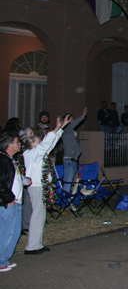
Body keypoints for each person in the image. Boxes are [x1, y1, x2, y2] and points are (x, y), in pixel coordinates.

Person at [24, 115, 69, 255]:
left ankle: (36, 244)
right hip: (36, 187)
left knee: (40, 216)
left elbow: (49, 144)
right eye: (37, 139)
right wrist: (56, 128)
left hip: (40, 186)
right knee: (37, 215)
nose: (40, 140)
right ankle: (31, 247)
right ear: (31, 143)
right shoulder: (31, 153)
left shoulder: (38, 153)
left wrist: (61, 128)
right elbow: (46, 144)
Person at [1, 132, 28, 272]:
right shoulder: (2, 160)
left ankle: (4, 259)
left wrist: (25, 180)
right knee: (6, 233)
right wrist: (8, 198)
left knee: (15, 232)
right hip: (8, 203)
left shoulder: (11, 159)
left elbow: (15, 177)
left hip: (16, 202)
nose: (20, 144)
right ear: (9, 145)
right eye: (17, 142)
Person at [61, 107, 88, 195]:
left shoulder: (71, 132)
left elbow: (75, 145)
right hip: (68, 160)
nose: (72, 122)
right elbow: (73, 125)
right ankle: (66, 202)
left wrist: (78, 152)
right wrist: (82, 117)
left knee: (70, 182)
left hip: (73, 160)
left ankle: (67, 200)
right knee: (68, 183)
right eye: (70, 120)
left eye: (73, 120)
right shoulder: (66, 130)